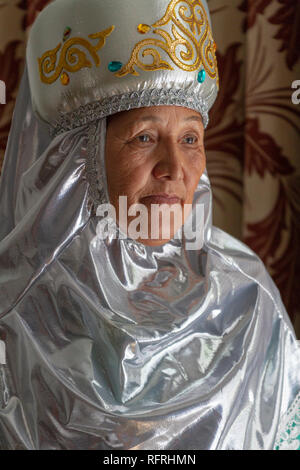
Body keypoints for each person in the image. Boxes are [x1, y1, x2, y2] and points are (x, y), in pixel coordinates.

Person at [0, 0, 299, 450]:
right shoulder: (12, 310)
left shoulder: (246, 298)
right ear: (78, 159)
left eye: (190, 139)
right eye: (144, 137)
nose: (175, 169)